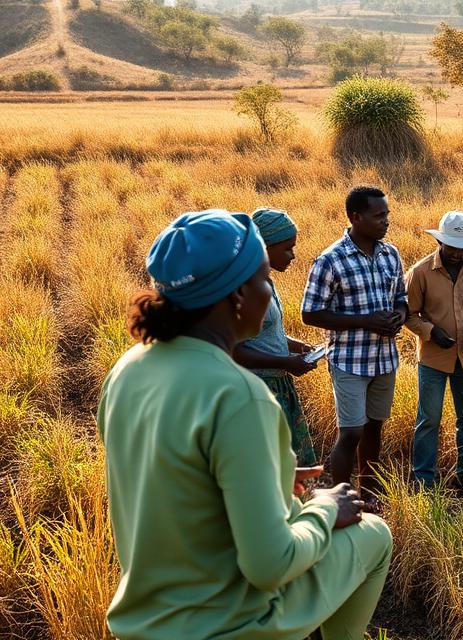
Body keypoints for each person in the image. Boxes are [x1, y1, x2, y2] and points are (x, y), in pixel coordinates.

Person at [98, 210, 392, 640]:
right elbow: (270, 565)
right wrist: (326, 508)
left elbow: (172, 475)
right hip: (228, 625)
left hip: (144, 621)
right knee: (374, 535)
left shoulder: (127, 370)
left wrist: (263, 477)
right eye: (263, 280)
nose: (268, 290)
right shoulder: (241, 396)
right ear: (237, 296)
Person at [302, 186, 408, 514]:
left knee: (374, 428)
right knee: (351, 433)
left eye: (387, 214)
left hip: (384, 360)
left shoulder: (391, 254)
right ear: (355, 217)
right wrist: (366, 321)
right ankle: (340, 500)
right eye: (379, 216)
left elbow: (401, 299)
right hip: (349, 361)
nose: (386, 221)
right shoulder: (331, 259)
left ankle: (369, 495)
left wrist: (398, 317)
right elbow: (311, 312)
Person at [404, 211, 463, 495]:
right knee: (429, 418)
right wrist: (430, 332)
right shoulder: (420, 272)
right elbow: (407, 315)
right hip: (433, 359)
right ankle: (424, 479)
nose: (458, 253)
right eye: (452, 247)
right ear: (440, 242)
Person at [234, 207, 319, 466]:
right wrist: (285, 361)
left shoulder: (265, 281)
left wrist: (295, 346)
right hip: (256, 388)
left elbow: (265, 332)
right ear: (264, 247)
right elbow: (234, 350)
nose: (293, 255)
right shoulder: (244, 287)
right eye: (287, 248)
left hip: (277, 385)